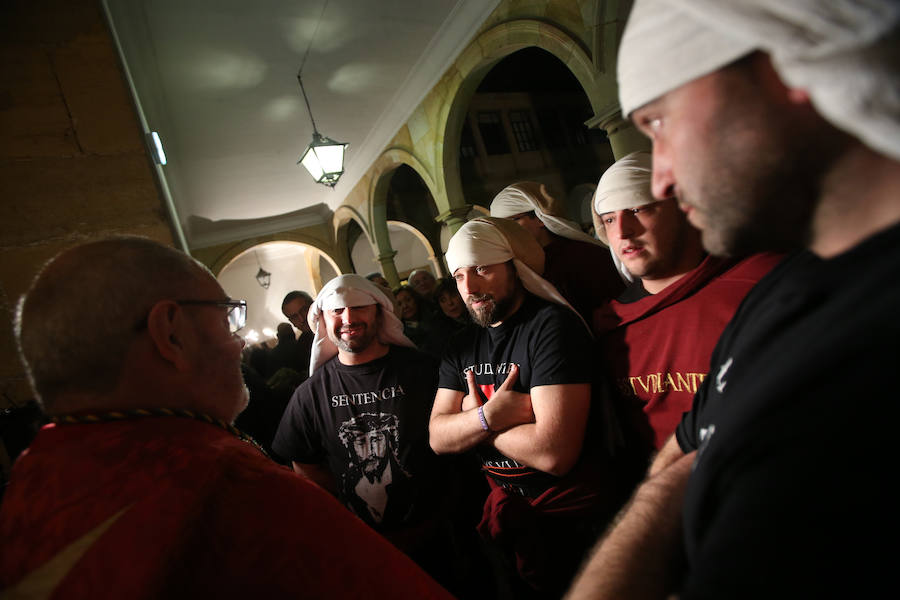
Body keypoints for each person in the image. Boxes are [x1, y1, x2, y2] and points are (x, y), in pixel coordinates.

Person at [567, 1, 900, 598]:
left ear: (784, 67)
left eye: (659, 124)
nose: (662, 176)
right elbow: (682, 451)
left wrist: (674, 489)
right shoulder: (785, 294)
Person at [0, 237, 451, 599]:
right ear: (170, 333)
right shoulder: (232, 490)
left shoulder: (32, 484)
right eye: (226, 317)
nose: (238, 343)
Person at [430, 217, 644, 598]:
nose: (470, 287)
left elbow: (553, 452)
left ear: (516, 267)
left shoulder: (552, 327)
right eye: (461, 275)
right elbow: (437, 437)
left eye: (482, 269)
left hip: (575, 523)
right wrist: (491, 416)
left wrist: (472, 424)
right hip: (507, 520)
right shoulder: (459, 345)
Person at [272, 274, 463, 589]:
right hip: (368, 549)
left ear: (379, 312)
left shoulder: (424, 370)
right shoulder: (310, 394)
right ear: (322, 319)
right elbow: (304, 465)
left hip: (446, 538)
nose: (348, 318)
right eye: (336, 311)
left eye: (358, 306)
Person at [591, 151, 781, 448]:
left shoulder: (759, 283)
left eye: (639, 209)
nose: (623, 232)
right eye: (609, 219)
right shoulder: (609, 324)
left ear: (684, 207)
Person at [490, 181, 625, 320]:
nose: (506, 232)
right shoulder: (518, 269)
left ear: (540, 218)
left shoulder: (587, 256)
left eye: (512, 222)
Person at [280, 290, 314, 376]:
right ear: (291, 322)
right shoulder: (301, 344)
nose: (302, 319)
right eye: (294, 317)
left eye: (304, 310)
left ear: (313, 305)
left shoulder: (336, 327)